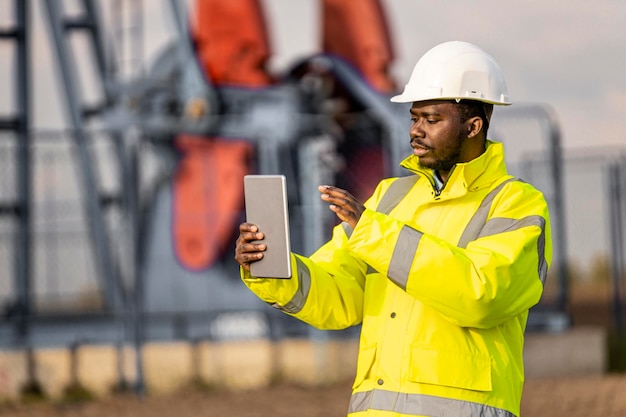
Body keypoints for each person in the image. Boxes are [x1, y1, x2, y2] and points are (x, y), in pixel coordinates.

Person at [235, 41, 552, 417]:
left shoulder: (515, 203)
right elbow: (339, 294)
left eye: (431, 119)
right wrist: (271, 267)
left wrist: (374, 231)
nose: (416, 130)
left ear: (473, 126)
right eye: (414, 117)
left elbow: (480, 296)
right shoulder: (389, 198)